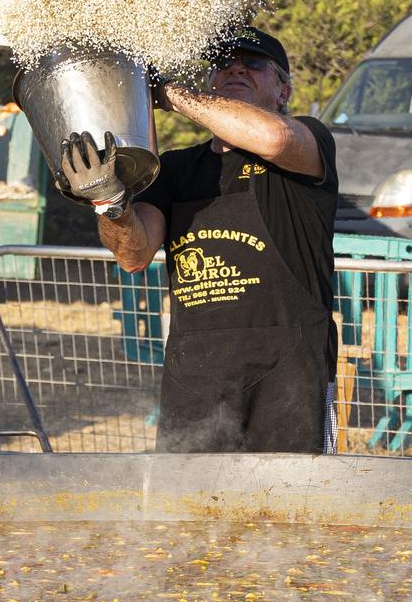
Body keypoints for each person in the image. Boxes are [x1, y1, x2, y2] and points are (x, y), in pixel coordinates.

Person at [70, 25, 338, 453]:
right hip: (194, 379)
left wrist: (169, 94)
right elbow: (134, 254)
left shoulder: (305, 144)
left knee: (292, 513)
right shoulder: (174, 169)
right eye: (223, 64)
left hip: (288, 376)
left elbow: (274, 137)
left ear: (283, 90)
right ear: (212, 81)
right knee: (185, 516)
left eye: (253, 65)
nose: (235, 69)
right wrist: (109, 202)